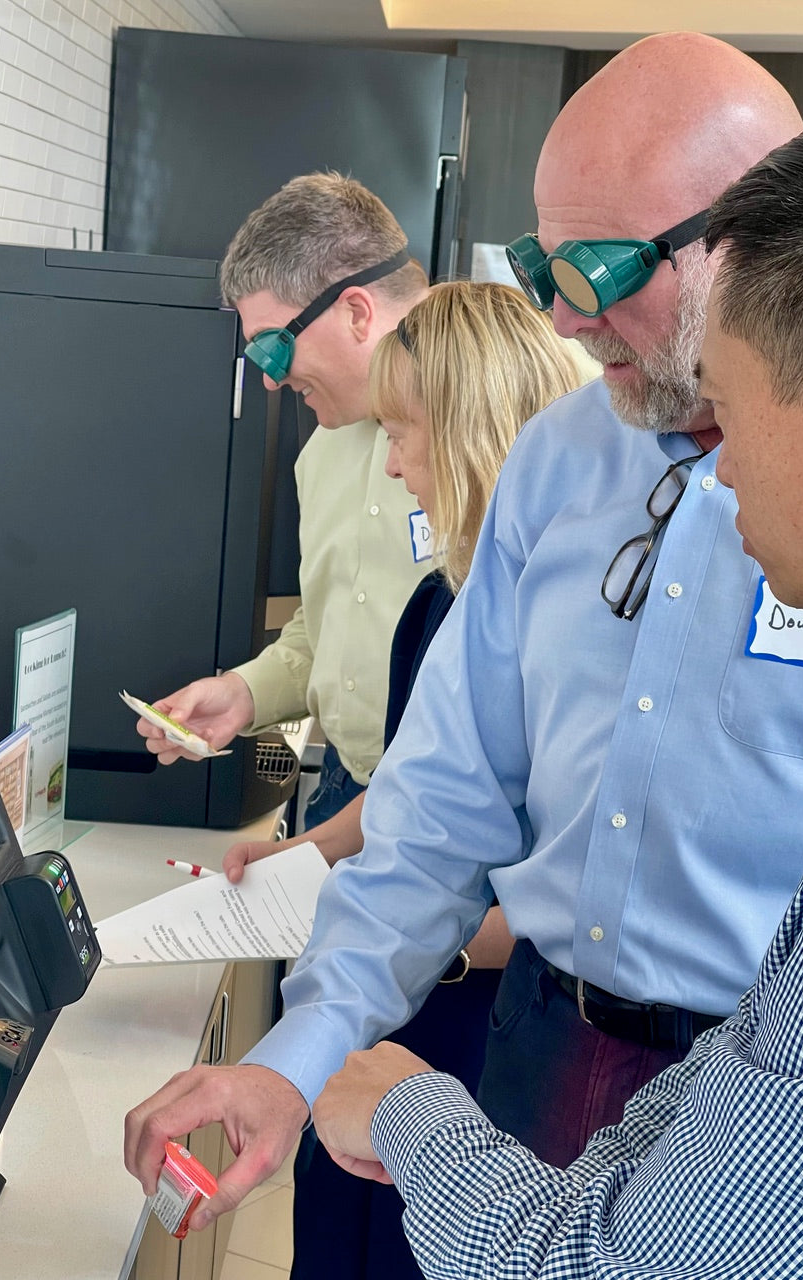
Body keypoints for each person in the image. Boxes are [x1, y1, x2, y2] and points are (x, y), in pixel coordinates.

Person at [124, 33, 803, 1228]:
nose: (568, 319)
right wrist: (297, 1054)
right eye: (544, 267)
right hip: (538, 1036)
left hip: (784, 1077)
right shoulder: (559, 462)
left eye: (603, 268)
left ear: (766, 242)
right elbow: (443, 800)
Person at [311, 101, 803, 1280]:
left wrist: (409, 1111)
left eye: (738, 412)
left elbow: (598, 1263)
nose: (718, 471)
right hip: (571, 1035)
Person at [223, 280, 592, 1279]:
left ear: (470, 433)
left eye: (401, 433)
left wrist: (430, 939)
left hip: (486, 1024)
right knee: (331, 1224)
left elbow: (574, 898)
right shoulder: (440, 604)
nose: (390, 464)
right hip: (393, 991)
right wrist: (303, 855)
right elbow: (417, 800)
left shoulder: (575, 633)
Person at [135, 173, 433, 828]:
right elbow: (331, 620)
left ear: (356, 312)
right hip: (348, 788)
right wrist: (246, 692)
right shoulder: (322, 449)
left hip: (460, 811)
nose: (270, 380)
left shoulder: (530, 415)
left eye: (274, 345)